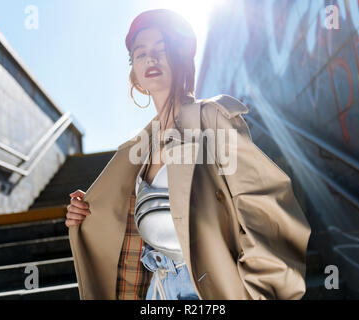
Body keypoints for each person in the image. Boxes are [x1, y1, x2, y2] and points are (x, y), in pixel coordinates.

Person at [65, 9, 311, 300]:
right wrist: (85, 214)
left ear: (181, 58)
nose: (151, 58)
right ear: (135, 73)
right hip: (157, 288)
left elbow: (268, 208)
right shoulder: (136, 152)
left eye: (162, 48)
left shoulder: (212, 120)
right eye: (141, 53)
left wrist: (259, 291)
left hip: (209, 287)